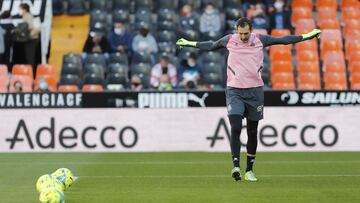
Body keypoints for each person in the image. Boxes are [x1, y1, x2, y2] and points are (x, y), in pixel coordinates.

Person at [176, 17, 321, 182]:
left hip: (255, 92)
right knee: (236, 126)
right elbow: (210, 45)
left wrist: (308, 35)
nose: (243, 37)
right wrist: (189, 43)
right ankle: (236, 166)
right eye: (240, 33)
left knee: (252, 131)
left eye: (246, 33)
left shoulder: (260, 39)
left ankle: (249, 170)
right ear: (236, 30)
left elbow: (284, 40)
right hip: (234, 90)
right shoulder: (230, 40)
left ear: (251, 30)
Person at [19, 3, 40, 72]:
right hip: (29, 40)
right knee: (29, 58)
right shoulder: (26, 17)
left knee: (30, 58)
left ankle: (31, 75)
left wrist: (28, 35)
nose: (19, 11)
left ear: (24, 10)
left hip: (31, 40)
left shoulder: (28, 17)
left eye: (20, 9)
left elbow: (34, 28)